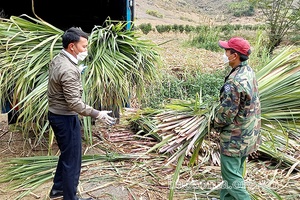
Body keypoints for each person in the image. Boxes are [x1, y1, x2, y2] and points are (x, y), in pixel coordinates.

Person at [47, 27, 116, 200]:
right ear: (72, 46)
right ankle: (70, 197)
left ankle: (58, 189)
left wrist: (77, 70)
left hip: (57, 114)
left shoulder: (60, 58)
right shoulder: (68, 69)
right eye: (83, 47)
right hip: (65, 117)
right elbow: (74, 103)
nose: (86, 50)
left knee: (67, 154)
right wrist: (97, 114)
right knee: (73, 160)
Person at [213, 37, 261, 200]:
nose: (224, 53)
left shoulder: (234, 82)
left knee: (232, 179)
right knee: (234, 173)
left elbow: (226, 114)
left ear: (234, 55)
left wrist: (212, 123)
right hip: (248, 133)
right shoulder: (248, 72)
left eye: (226, 51)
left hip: (235, 138)